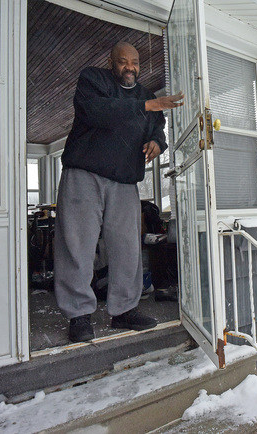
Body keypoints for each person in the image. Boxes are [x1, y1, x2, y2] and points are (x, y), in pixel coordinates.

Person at [54, 41, 184, 343]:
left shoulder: (145, 96)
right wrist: (145, 106)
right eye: (123, 62)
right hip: (84, 172)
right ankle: (78, 315)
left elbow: (157, 126)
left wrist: (157, 143)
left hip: (125, 180)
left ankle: (124, 311)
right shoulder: (93, 80)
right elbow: (95, 113)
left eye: (135, 62)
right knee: (77, 246)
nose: (130, 67)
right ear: (112, 63)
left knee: (127, 249)